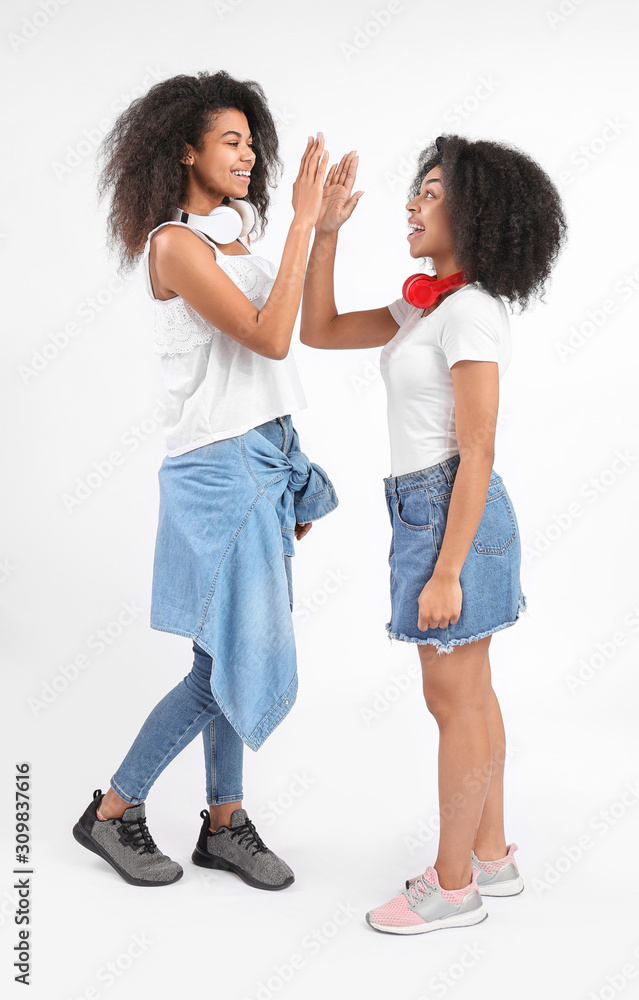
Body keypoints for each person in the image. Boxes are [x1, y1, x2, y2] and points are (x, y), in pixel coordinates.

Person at [72, 70, 339, 890]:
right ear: (183, 150)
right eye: (231, 141)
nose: (249, 156)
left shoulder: (234, 242)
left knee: (226, 650)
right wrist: (299, 221)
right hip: (217, 472)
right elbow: (268, 338)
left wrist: (318, 231)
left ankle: (224, 822)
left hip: (261, 459)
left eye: (252, 144)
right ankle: (113, 811)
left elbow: (297, 327)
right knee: (225, 660)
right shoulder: (174, 244)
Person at [300, 133, 566, 933]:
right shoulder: (427, 306)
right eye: (414, 191)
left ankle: (452, 889)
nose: (411, 204)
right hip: (433, 506)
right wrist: (326, 233)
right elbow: (316, 330)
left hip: (452, 510)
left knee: (450, 698)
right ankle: (490, 856)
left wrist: (446, 569)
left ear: (474, 211)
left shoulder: (471, 312)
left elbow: (478, 449)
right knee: (470, 693)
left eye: (431, 191)